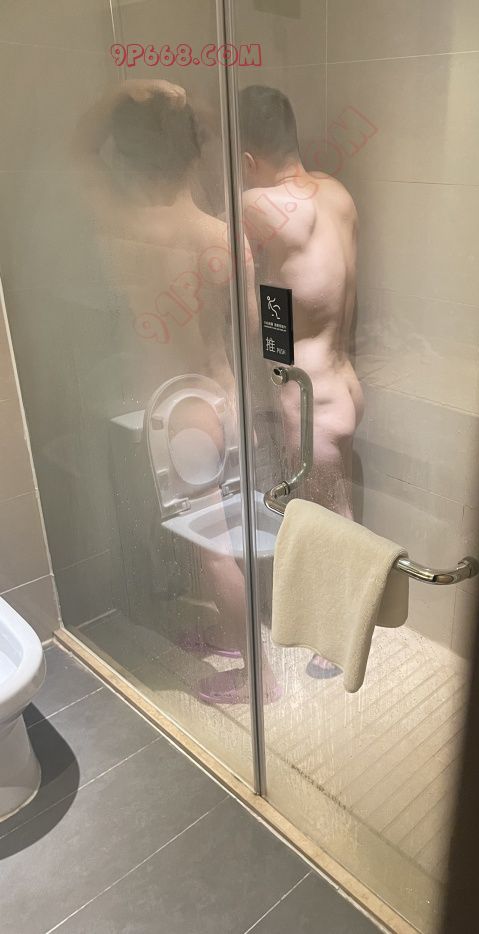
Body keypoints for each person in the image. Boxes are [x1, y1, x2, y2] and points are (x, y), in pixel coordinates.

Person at [72, 79, 280, 703]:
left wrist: (124, 91)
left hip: (174, 410)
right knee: (219, 535)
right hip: (223, 401)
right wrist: (191, 110)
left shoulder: (119, 222)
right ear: (193, 151)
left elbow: (77, 150)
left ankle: (259, 678)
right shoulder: (223, 234)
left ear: (129, 155)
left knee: (213, 550)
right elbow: (250, 330)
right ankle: (229, 634)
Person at [239, 85, 365, 679]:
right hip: (344, 381)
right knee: (335, 508)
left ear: (247, 158)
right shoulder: (337, 194)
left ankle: (338, 638)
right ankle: (336, 619)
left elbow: (257, 321)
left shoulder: (256, 203)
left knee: (327, 518)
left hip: (308, 399)